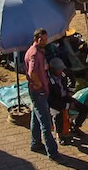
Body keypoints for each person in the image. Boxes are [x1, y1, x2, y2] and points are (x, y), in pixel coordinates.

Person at [24, 28, 61, 160]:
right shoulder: (34, 54)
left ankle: (35, 143)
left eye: (46, 39)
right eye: (42, 40)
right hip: (38, 92)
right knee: (46, 123)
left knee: (36, 117)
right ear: (36, 39)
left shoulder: (38, 52)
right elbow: (31, 72)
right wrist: (38, 83)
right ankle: (53, 153)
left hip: (39, 91)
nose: (45, 42)